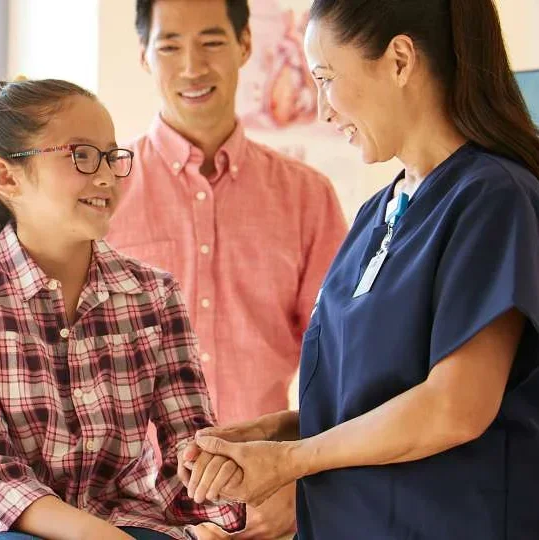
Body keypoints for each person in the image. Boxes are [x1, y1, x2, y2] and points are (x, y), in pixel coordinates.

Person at [178, 0, 539, 538]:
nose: (323, 110)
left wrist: (290, 461)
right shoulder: (379, 212)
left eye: (326, 78)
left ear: (399, 61)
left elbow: (456, 407)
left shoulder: (493, 198)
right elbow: (368, 404)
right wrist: (271, 435)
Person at [0, 78, 245, 540]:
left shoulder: (155, 295)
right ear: (7, 178)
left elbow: (189, 446)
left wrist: (214, 516)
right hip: (9, 528)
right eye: (81, 155)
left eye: (111, 156)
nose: (106, 177)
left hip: (129, 521)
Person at [106, 2, 347, 537]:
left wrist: (298, 483)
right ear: (144, 56)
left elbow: (340, 366)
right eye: (170, 46)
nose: (192, 67)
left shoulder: (307, 198)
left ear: (244, 45)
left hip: (265, 509)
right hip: (125, 515)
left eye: (212, 42)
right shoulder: (102, 192)